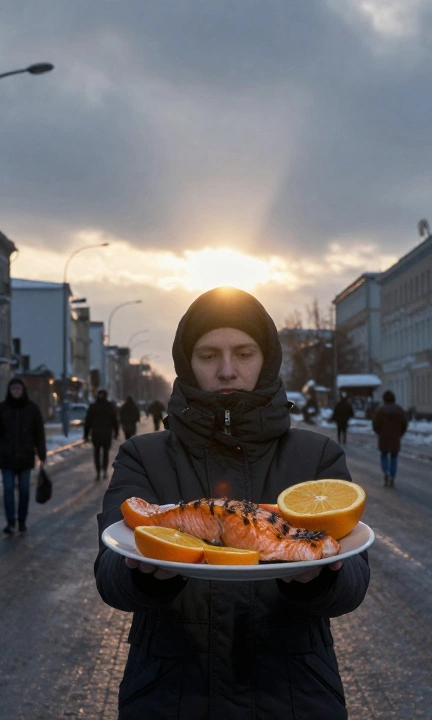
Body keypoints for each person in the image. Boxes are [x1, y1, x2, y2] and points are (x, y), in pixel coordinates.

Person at [94, 286, 370, 719]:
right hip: (170, 697)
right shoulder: (142, 456)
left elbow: (353, 579)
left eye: (243, 353)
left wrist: (317, 580)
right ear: (187, 364)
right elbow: (110, 574)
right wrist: (149, 577)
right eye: (208, 355)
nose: (227, 371)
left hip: (295, 695)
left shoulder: (317, 456)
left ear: (267, 360)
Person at [0, 377, 47, 534]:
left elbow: (39, 433)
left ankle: (21, 521)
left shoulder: (32, 409)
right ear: (9, 390)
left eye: (18, 389)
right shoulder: (2, 408)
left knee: (24, 491)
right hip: (7, 458)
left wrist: (41, 452)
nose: (16, 391)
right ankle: (10, 522)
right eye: (13, 389)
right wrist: (1, 447)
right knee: (8, 490)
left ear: (23, 390)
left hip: (25, 458)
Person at [371, 390, 409, 487]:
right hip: (395, 438)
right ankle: (392, 475)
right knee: (394, 457)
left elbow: (375, 425)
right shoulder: (399, 410)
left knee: (384, 455)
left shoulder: (380, 411)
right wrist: (399, 433)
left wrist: (380, 433)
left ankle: (385, 472)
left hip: (383, 437)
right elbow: (404, 424)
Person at [84, 389, 120, 481]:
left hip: (96, 434)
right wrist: (116, 432)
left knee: (97, 453)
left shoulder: (93, 406)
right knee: (105, 453)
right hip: (106, 434)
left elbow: (87, 422)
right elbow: (114, 421)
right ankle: (103, 470)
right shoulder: (109, 406)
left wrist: (86, 435)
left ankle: (98, 472)